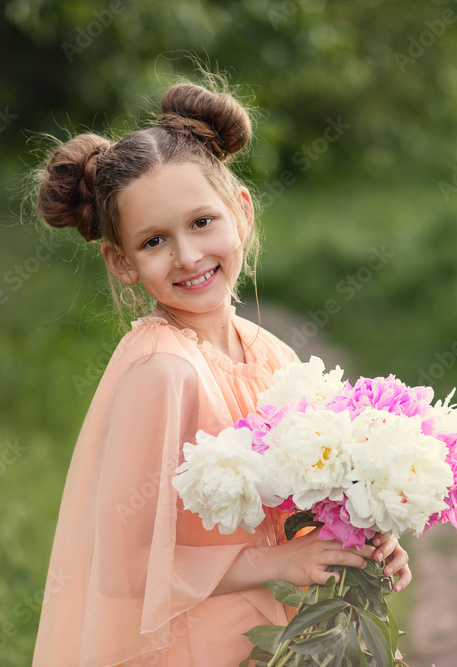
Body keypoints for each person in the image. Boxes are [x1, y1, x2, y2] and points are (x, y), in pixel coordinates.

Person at [30, 81, 412, 666]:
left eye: (202, 222)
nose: (186, 255)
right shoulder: (162, 370)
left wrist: (357, 538)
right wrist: (277, 564)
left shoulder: (270, 355)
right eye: (154, 240)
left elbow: (292, 508)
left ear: (242, 210)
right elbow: (125, 566)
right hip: (189, 647)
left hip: (264, 642)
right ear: (122, 262)